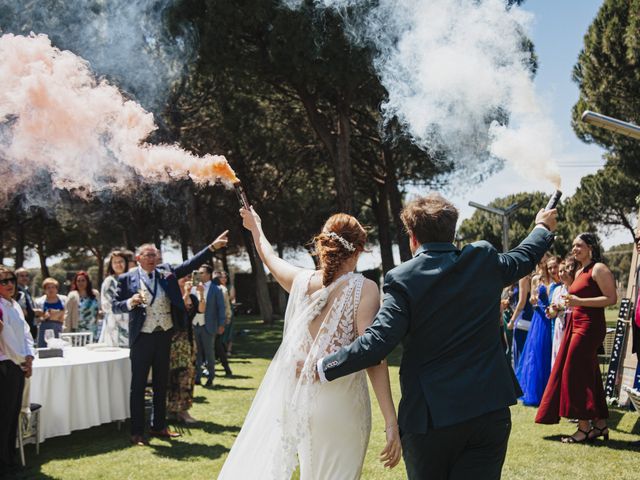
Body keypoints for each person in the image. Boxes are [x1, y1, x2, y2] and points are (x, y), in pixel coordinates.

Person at [315, 193, 556, 480]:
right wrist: (542, 226)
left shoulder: (402, 278)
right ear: (452, 233)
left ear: (413, 238)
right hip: (488, 411)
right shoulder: (483, 259)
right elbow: (524, 256)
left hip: (430, 421)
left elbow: (377, 342)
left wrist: (321, 367)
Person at [219, 207, 402, 479]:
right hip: (342, 405)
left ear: (323, 244)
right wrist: (390, 420)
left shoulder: (300, 281)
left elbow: (268, 257)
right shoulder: (365, 288)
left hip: (304, 404)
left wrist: (256, 227)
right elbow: (373, 356)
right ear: (358, 249)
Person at [112, 231, 228, 446]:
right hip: (142, 337)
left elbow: (190, 263)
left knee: (161, 383)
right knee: (138, 385)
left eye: (155, 255)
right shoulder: (126, 279)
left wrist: (211, 247)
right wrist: (131, 302)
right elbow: (115, 305)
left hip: (164, 334)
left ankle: (159, 426)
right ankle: (137, 431)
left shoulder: (167, 273)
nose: (152, 258)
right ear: (138, 258)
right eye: (148, 255)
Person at [536, 233, 617, 443]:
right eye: (573, 246)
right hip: (576, 324)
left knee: (574, 372)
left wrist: (579, 300)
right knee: (589, 374)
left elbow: (611, 298)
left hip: (590, 327)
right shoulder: (579, 271)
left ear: (590, 247)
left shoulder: (598, 269)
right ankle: (599, 425)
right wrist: (564, 304)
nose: (574, 249)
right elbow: (575, 300)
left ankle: (584, 427)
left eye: (579, 245)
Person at [0, 265, 35, 475]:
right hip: (6, 365)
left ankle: (10, 460)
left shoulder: (14, 305)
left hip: (18, 366)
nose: (9, 284)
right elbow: (8, 341)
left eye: (11, 280)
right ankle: (4, 464)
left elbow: (26, 334)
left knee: (13, 414)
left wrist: (29, 356)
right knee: (4, 416)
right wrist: (23, 360)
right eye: (3, 281)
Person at [515, 256, 553, 406]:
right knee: (536, 352)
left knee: (548, 351)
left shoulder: (552, 278)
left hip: (550, 315)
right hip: (539, 317)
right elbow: (532, 299)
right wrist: (534, 299)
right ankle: (537, 391)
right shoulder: (535, 279)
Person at [167, 276, 203, 424]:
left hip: (188, 340)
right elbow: (178, 313)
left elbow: (201, 310)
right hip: (174, 342)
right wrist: (185, 294)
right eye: (183, 277)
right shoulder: (171, 297)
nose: (186, 279)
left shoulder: (193, 297)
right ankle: (172, 409)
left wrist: (200, 294)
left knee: (188, 375)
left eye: (188, 277)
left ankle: (183, 410)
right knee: (174, 376)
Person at [192, 265, 226, 387]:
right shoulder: (193, 287)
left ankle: (210, 377)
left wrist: (222, 324)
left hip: (209, 325)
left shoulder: (216, 289)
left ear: (208, 274)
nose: (199, 275)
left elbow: (221, 308)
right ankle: (197, 376)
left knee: (209, 353)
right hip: (195, 324)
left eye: (201, 273)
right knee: (197, 353)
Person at [547, 256, 577, 366]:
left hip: (572, 325)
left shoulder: (575, 288)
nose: (561, 273)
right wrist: (551, 311)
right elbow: (552, 311)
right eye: (560, 271)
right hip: (559, 327)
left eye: (564, 270)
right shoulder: (557, 291)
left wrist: (561, 307)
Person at [99, 250, 132, 347]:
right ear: (111, 265)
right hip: (115, 325)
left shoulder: (133, 278)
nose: (118, 264)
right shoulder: (109, 281)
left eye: (121, 261)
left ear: (126, 263)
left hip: (132, 323)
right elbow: (106, 305)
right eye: (115, 262)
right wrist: (127, 306)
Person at [507, 274, 534, 370]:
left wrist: (512, 320)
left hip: (522, 318)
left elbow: (521, 302)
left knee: (521, 352)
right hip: (522, 317)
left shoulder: (523, 278)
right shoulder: (516, 280)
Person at [66, 271, 101, 341]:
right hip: (78, 331)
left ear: (87, 281)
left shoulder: (95, 294)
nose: (80, 283)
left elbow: (99, 310)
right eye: (78, 281)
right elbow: (68, 315)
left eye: (83, 280)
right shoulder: (72, 295)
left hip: (93, 330)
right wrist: (67, 332)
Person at [34, 277, 67, 348]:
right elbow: (35, 320)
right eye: (48, 287)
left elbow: (67, 315)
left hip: (60, 329)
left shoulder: (64, 299)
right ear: (45, 290)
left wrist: (60, 314)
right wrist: (43, 317)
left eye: (53, 287)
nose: (51, 289)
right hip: (44, 331)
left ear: (57, 289)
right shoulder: (38, 301)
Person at [212, 274, 232, 377]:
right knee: (218, 345)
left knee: (217, 345)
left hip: (216, 322)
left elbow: (225, 306)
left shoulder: (221, 289)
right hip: (217, 321)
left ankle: (225, 368)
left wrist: (225, 320)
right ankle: (226, 368)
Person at [215, 271, 235, 355]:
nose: (223, 279)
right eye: (221, 277)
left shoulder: (230, 287)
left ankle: (229, 350)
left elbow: (232, 297)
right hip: (219, 310)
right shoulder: (216, 287)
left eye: (225, 277)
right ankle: (222, 350)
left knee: (229, 330)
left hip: (228, 308)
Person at [15, 268, 37, 340]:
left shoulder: (26, 290)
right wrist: (35, 312)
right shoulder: (17, 290)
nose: (24, 278)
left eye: (26, 275)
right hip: (22, 327)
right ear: (16, 277)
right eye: (22, 276)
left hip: (30, 325)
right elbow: (22, 311)